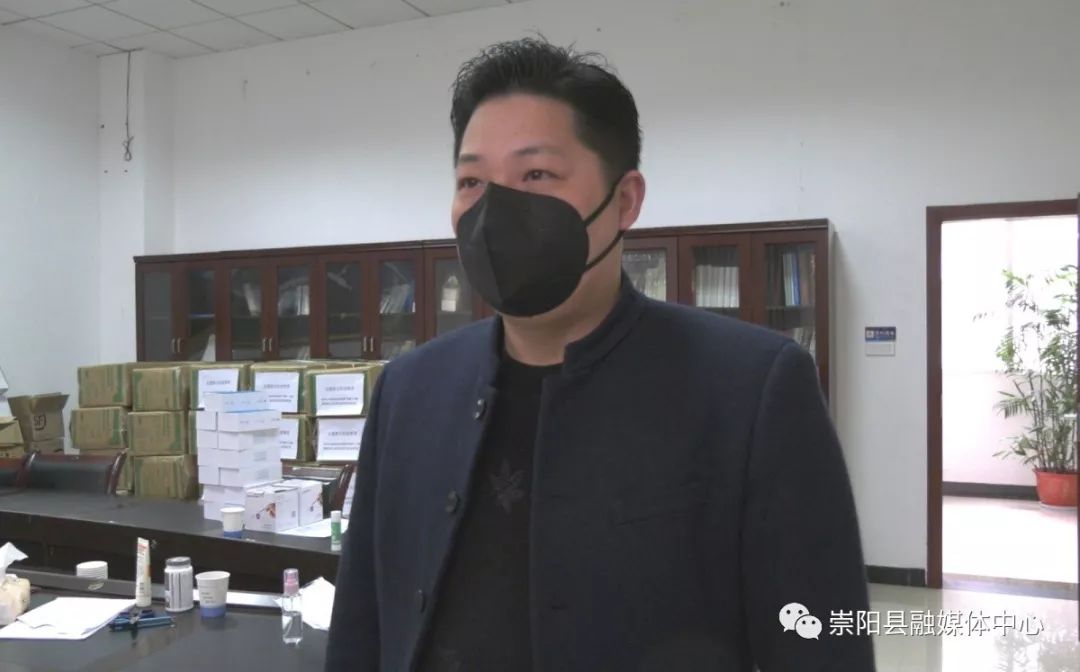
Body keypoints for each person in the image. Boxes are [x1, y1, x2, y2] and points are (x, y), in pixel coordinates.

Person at [326, 37, 875, 671]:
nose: (495, 209)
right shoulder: (410, 390)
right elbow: (361, 627)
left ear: (625, 200)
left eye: (536, 175)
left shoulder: (752, 391)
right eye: (471, 181)